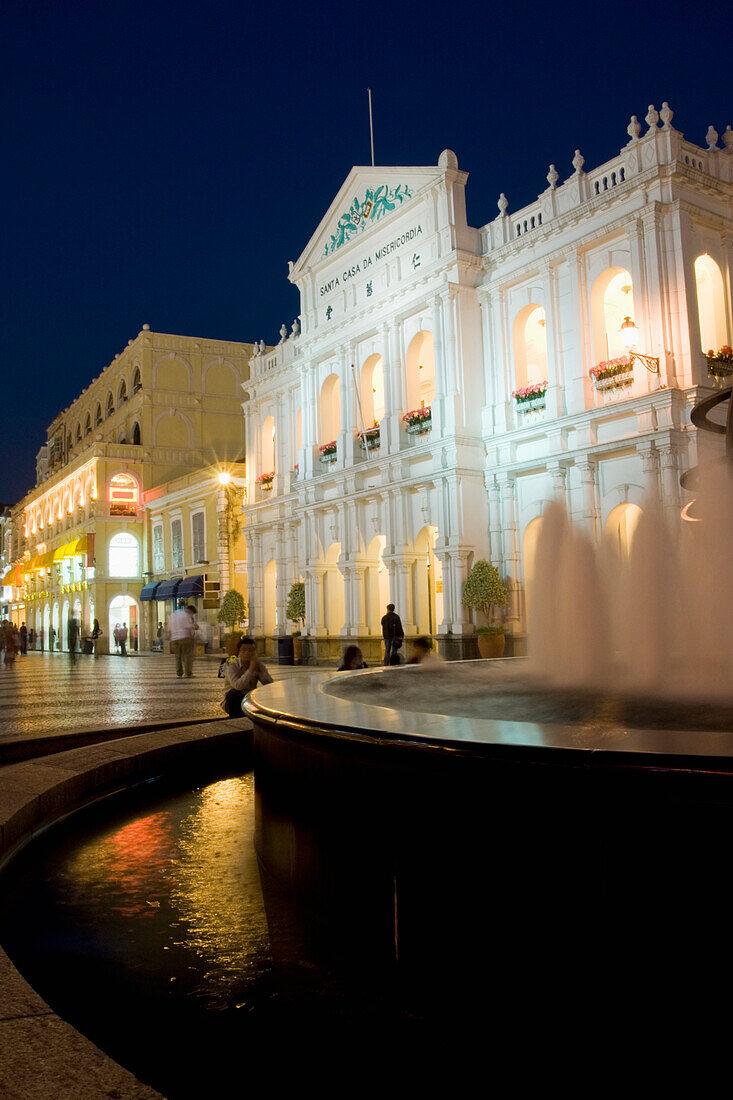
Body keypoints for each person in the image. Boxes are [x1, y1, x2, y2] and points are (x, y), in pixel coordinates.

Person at [222, 637, 273, 717]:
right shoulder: (232, 666)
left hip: (250, 699)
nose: (248, 653)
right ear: (239, 651)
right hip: (233, 701)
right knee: (234, 694)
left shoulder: (258, 665)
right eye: (244, 650)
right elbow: (238, 686)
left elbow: (269, 684)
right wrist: (251, 669)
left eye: (251, 650)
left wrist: (260, 671)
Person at [168, 604, 197, 678]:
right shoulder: (186, 615)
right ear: (190, 611)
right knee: (187, 656)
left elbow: (169, 628)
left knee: (178, 657)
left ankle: (179, 672)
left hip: (174, 639)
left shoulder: (173, 615)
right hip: (184, 637)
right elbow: (189, 627)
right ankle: (188, 673)